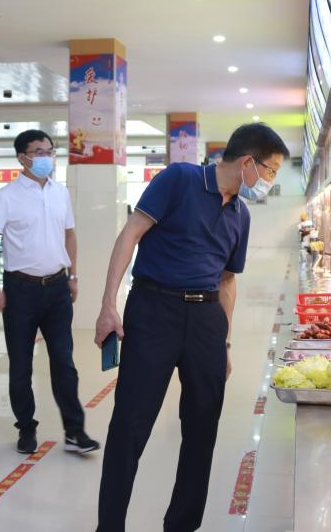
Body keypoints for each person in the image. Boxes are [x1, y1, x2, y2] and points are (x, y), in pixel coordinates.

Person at [93, 122, 289, 532]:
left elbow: (228, 281)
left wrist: (225, 343)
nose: (270, 180)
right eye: (270, 170)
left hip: (206, 320)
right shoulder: (179, 179)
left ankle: (182, 524)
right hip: (154, 310)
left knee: (202, 428)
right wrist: (109, 305)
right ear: (247, 162)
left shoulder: (241, 214)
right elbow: (130, 234)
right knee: (131, 423)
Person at [0, 129, 99, 455]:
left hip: (57, 289)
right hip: (21, 292)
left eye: (50, 151)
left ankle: (75, 431)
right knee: (21, 367)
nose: (47, 157)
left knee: (64, 362)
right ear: (23, 158)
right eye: (39, 152)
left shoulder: (60, 193)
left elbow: (70, 235)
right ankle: (26, 428)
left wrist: (73, 275)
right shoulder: (6, 197)